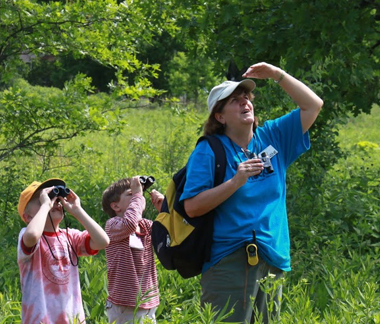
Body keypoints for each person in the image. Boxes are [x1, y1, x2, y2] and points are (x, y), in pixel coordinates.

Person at [181, 62, 323, 323]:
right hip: (229, 260)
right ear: (219, 116)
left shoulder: (273, 137)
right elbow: (192, 206)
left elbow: (313, 105)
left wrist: (277, 75)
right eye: (235, 100)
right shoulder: (209, 150)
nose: (245, 102)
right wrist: (236, 181)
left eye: (246, 97)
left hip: (272, 256)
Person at [16, 178, 110, 324]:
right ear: (27, 217)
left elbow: (102, 241)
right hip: (40, 320)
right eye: (42, 200)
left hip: (72, 319)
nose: (54, 202)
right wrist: (46, 205)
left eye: (56, 199)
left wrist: (77, 211)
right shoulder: (28, 235)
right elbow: (33, 235)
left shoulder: (70, 236)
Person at [102, 176, 165, 324]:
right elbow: (130, 223)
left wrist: (164, 209)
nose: (138, 195)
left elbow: (169, 235)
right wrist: (138, 195)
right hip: (125, 304)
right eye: (131, 194)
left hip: (149, 302)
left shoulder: (146, 226)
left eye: (139, 193)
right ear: (115, 206)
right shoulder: (113, 225)